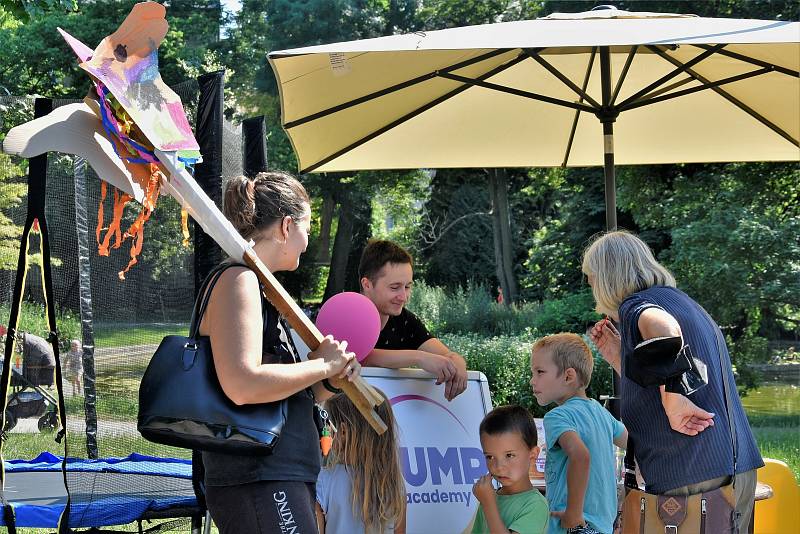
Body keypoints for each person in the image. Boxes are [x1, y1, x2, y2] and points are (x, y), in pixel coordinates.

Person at [198, 171, 361, 534]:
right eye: (307, 224)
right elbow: (242, 384)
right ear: (287, 226)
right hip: (258, 476)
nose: (308, 239)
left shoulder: (263, 290)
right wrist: (320, 364)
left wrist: (330, 380)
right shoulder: (238, 280)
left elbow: (285, 394)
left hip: (280, 473)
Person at [584, 230, 763, 532]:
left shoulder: (634, 306)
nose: (589, 285)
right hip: (735, 469)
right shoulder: (682, 301)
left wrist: (673, 396)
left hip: (691, 473)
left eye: (590, 277)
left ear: (606, 277)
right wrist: (620, 359)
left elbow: (664, 330)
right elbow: (671, 365)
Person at [530, 333, 627, 534]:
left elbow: (581, 455)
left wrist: (573, 513)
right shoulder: (601, 412)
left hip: (573, 527)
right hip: (603, 526)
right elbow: (633, 443)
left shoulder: (557, 416)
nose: (532, 380)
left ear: (568, 376)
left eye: (540, 372)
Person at [359, 239, 467, 400]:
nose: (404, 297)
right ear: (367, 285)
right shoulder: (350, 312)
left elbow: (447, 354)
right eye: (395, 287)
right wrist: (419, 357)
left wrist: (457, 362)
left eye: (408, 286)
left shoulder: (405, 320)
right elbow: (361, 356)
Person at [315, 389, 406, 534]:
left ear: (343, 431)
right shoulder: (393, 482)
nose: (324, 430)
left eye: (327, 424)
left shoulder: (322, 481)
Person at [469, 405, 549, 534]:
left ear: (532, 455)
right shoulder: (489, 498)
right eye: (490, 456)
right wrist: (487, 502)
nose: (499, 467)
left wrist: (489, 504)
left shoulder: (536, 505)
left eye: (509, 455)